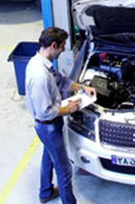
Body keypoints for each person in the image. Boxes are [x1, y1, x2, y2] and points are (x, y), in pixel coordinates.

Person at [25, 27, 96, 204]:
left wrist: (82, 88)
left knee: (48, 156)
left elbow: (62, 82)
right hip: (48, 125)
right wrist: (69, 109)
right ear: (53, 46)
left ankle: (46, 192)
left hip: (48, 126)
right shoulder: (40, 76)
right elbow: (45, 111)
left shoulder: (40, 62)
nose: (64, 50)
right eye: (62, 46)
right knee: (64, 171)